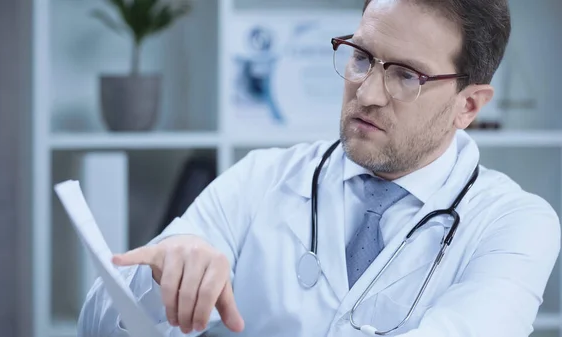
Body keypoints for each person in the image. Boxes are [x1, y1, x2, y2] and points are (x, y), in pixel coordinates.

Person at [77, 0, 561, 336]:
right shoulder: (262, 178)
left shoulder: (515, 224)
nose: (367, 94)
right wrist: (161, 279)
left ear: (469, 106)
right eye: (362, 58)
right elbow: (96, 326)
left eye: (406, 75)